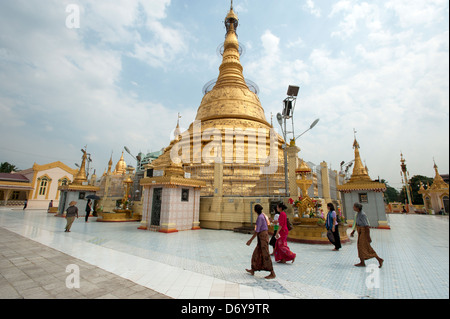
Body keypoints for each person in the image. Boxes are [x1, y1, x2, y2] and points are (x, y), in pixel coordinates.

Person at [246, 204, 276, 279]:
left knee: (265, 254)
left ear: (255, 210)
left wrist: (250, 240)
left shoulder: (260, 217)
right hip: (262, 236)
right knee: (256, 253)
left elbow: (257, 230)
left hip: (262, 236)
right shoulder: (263, 215)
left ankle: (272, 273)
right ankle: (253, 269)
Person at [350, 203, 384, 268]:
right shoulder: (357, 214)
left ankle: (379, 259)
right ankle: (362, 262)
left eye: (354, 207)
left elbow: (366, 226)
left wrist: (368, 236)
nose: (353, 208)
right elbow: (356, 224)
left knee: (366, 247)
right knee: (360, 246)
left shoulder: (363, 215)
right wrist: (353, 231)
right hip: (360, 231)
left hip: (364, 232)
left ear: (357, 208)